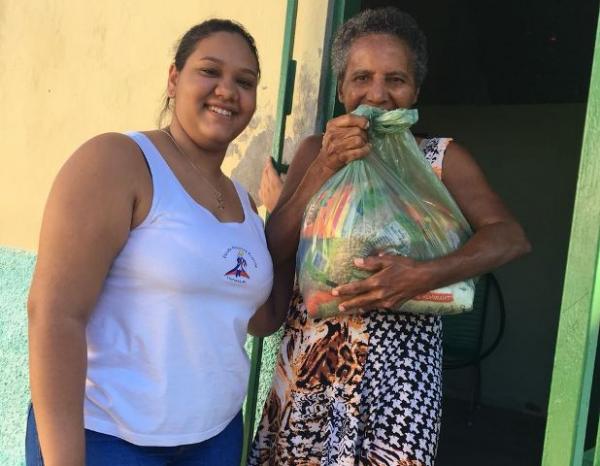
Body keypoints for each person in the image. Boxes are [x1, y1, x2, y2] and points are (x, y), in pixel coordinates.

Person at [249, 7, 531, 466]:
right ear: (341, 89)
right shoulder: (312, 152)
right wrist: (325, 166)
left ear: (415, 90)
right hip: (311, 370)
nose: (377, 95)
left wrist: (421, 275)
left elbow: (509, 237)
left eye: (395, 80)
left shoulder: (441, 160)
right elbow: (273, 249)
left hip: (401, 381)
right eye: (361, 77)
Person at [26, 19, 287, 466]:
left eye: (244, 81)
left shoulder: (244, 202)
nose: (228, 90)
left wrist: (291, 217)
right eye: (210, 71)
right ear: (173, 79)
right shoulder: (119, 161)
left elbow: (260, 320)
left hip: (216, 440)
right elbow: (54, 315)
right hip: (109, 440)